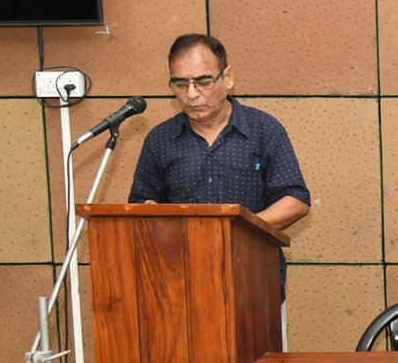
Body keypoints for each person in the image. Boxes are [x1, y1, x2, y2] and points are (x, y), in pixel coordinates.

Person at [129, 33, 310, 232]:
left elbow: (296, 200)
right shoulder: (159, 139)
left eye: (204, 82)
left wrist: (239, 232)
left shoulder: (263, 129)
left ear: (228, 78)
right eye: (180, 84)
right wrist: (149, 210)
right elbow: (141, 204)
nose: (191, 94)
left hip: (250, 250)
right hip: (182, 251)